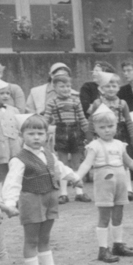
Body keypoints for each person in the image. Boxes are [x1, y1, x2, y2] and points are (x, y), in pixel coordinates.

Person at [0, 114, 79, 265]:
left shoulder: (49, 155)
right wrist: (10, 204)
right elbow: (12, 183)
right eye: (31, 133)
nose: (36, 137)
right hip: (31, 200)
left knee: (45, 238)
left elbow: (60, 168)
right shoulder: (19, 159)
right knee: (31, 240)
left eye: (40, 133)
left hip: (50, 198)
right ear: (21, 136)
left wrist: (75, 178)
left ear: (46, 135)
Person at [72, 105, 133, 263]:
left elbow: (130, 162)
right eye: (102, 127)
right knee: (104, 216)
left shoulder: (120, 145)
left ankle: (117, 244)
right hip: (104, 183)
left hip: (120, 184)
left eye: (110, 126)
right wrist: (77, 176)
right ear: (95, 129)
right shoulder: (94, 146)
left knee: (118, 214)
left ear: (116, 126)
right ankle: (103, 249)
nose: (107, 130)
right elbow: (86, 164)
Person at [44, 73, 92, 204]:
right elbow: (46, 119)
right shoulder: (52, 102)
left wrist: (88, 133)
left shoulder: (76, 100)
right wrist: (42, 130)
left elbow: (82, 119)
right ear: (54, 87)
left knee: (77, 163)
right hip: (61, 132)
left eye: (68, 86)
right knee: (63, 163)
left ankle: (79, 192)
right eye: (62, 86)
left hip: (76, 132)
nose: (65, 89)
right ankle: (63, 194)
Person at [0, 79, 21, 183]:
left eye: (8, 93)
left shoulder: (14, 110)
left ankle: (13, 195)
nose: (5, 96)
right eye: (1, 93)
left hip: (13, 145)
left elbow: (18, 127)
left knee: (15, 169)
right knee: (0, 171)